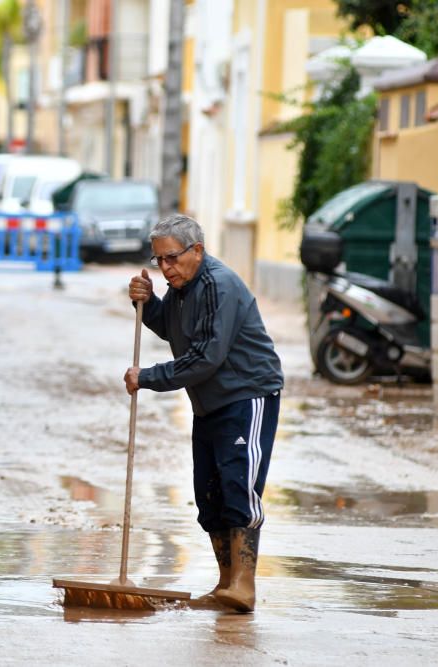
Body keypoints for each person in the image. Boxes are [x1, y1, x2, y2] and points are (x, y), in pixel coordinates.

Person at [124, 214, 283, 613]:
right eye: (159, 261)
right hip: (210, 401)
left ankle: (244, 586)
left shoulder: (218, 285)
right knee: (207, 494)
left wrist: (148, 377)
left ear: (197, 250)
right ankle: (226, 583)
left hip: (247, 395)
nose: (165, 268)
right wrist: (146, 302)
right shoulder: (181, 287)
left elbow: (205, 357)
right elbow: (176, 330)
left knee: (238, 486)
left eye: (172, 259)